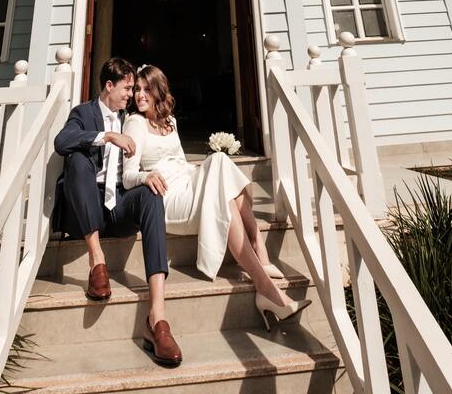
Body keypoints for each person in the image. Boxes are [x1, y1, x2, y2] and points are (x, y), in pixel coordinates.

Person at [122, 64, 311, 328]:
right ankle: (260, 252)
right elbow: (127, 176)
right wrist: (146, 176)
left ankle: (267, 290)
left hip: (188, 182)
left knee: (219, 173)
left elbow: (180, 160)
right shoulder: (134, 123)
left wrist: (202, 174)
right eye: (137, 90)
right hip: (168, 197)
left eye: (146, 89)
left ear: (158, 91)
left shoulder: (170, 121)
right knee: (220, 164)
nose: (139, 95)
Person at [52, 57, 182, 366]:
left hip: (117, 207)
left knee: (151, 195)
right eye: (126, 89)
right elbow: (62, 141)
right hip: (85, 207)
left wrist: (148, 175)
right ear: (109, 86)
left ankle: (157, 321)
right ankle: (98, 261)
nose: (131, 95)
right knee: (79, 160)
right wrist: (108, 137)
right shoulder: (83, 113)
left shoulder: (130, 118)